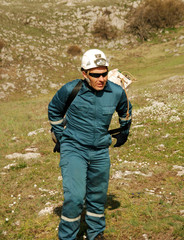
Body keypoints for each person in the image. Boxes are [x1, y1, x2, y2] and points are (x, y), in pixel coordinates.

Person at [48, 49, 132, 240]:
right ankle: (68, 237)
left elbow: (126, 110)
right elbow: (54, 110)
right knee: (75, 197)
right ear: (84, 73)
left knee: (97, 196)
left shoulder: (117, 91)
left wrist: (124, 131)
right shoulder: (71, 90)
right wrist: (61, 137)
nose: (101, 79)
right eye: (95, 75)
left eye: (104, 73)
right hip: (74, 149)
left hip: (100, 150)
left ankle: (96, 234)